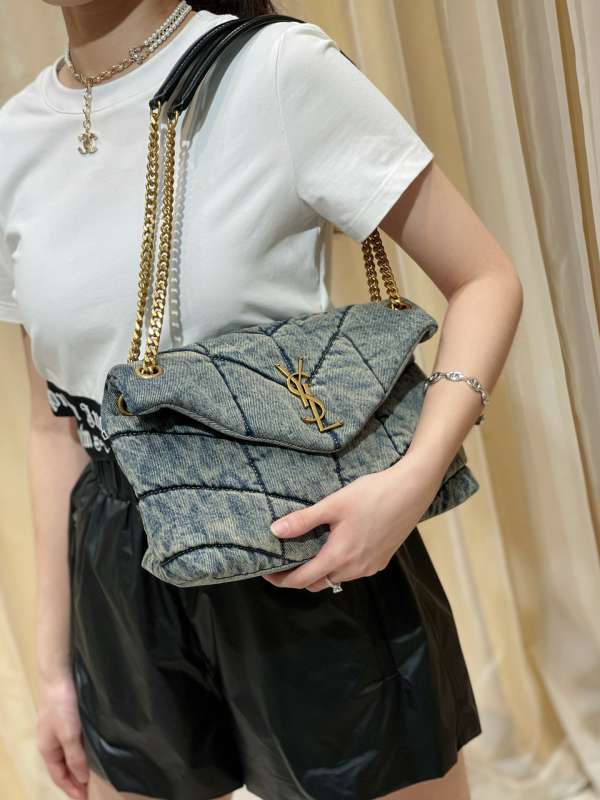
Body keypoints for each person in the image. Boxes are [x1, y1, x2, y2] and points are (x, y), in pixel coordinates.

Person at [0, 1, 523, 799]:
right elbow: (53, 428)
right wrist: (55, 671)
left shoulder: (274, 67)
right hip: (118, 564)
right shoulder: (14, 136)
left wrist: (414, 478)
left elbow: (485, 278)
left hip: (302, 536)